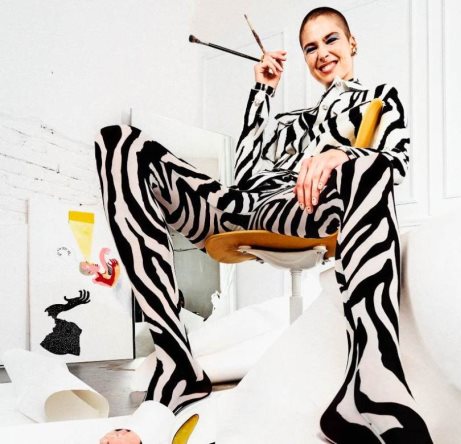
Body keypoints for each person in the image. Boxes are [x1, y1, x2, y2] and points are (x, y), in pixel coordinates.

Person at [96, 7, 432, 444]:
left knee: (369, 168)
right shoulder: (295, 122)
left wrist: (342, 154)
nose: (322, 53)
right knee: (119, 145)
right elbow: (245, 173)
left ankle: (372, 387)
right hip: (243, 206)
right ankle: (176, 365)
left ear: (352, 43)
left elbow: (395, 162)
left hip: (308, 207)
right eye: (310, 47)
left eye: (331, 40)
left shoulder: (378, 98)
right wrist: (263, 90)